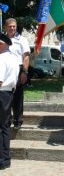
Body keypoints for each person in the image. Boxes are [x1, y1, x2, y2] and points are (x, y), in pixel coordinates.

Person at [4, 18, 30, 130]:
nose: (12, 28)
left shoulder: (22, 39)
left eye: (14, 26)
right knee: (5, 95)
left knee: (18, 96)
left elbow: (26, 56)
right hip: (4, 69)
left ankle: (17, 120)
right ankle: (6, 119)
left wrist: (24, 71)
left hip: (18, 69)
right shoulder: (2, 39)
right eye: (10, 26)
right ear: (5, 27)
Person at [0, 33, 20, 170]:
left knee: (1, 128)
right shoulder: (14, 57)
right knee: (5, 127)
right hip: (8, 93)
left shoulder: (1, 59)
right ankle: (5, 159)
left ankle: (2, 160)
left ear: (3, 44)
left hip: (1, 92)